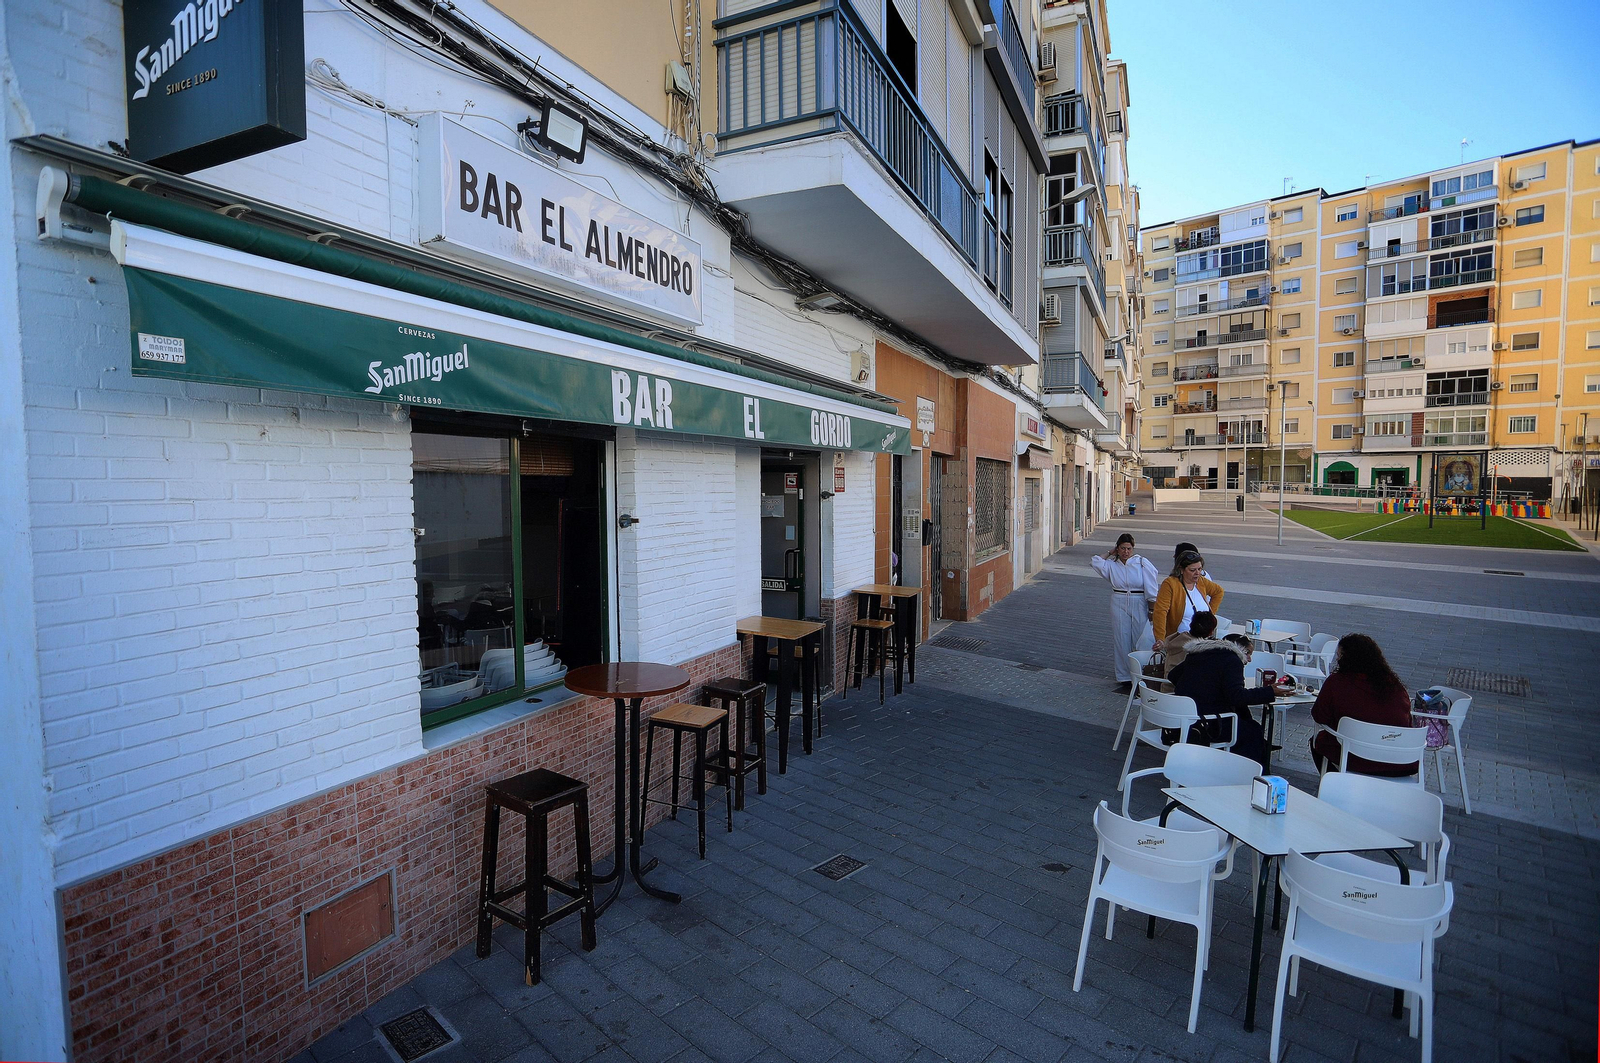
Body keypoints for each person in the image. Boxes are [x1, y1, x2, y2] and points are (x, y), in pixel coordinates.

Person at [1169, 612, 1274, 764]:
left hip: (1184, 717)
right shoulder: (1232, 660)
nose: (1249, 659)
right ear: (1239, 650)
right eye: (1248, 653)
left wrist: (1205, 686)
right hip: (1207, 722)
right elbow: (1237, 697)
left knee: (1245, 723)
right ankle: (1252, 774)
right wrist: (1271, 691)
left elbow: (1173, 675)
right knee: (1253, 730)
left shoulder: (1200, 652)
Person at [1309, 634, 1416, 777]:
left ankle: (1335, 784)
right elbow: (1405, 722)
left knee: (1319, 740)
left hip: (1354, 759)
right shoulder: (1395, 686)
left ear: (1346, 659)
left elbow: (1319, 716)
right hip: (1399, 762)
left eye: (1339, 656)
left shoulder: (1337, 683)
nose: (1337, 660)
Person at [1090, 532, 1159, 692]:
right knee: (1121, 638)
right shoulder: (1112, 565)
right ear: (1117, 548)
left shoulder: (1141, 563)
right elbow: (1095, 561)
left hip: (1139, 600)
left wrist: (1151, 608)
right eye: (1122, 548)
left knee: (1140, 638)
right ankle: (1124, 676)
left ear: (1133, 549)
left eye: (1128, 548)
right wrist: (1110, 553)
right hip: (1119, 599)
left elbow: (1151, 586)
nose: (1125, 552)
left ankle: (1142, 673)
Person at [1152, 550, 1224, 670]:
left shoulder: (1201, 581)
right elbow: (1160, 612)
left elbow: (1218, 592)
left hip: (1203, 642)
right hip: (1181, 644)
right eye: (1192, 570)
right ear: (1181, 569)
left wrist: (1208, 617)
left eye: (1200, 569)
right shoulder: (1170, 584)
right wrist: (1160, 638)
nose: (1197, 573)